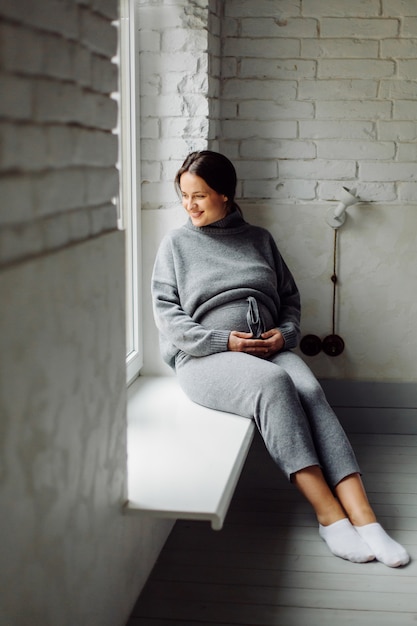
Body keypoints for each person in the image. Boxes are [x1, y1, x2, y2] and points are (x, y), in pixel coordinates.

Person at [151, 150, 410, 568]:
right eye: (184, 196)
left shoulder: (259, 239)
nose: (189, 205)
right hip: (204, 358)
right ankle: (330, 517)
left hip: (268, 348)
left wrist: (283, 335)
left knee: (308, 387)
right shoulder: (177, 244)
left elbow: (289, 300)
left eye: (199, 195)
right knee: (273, 386)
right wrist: (224, 341)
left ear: (225, 195)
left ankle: (365, 517)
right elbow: (166, 315)